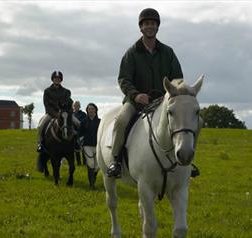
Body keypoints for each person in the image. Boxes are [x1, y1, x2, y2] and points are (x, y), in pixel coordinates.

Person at [106, 8, 183, 178]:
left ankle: (185, 162)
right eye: (146, 23)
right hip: (136, 101)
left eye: (153, 23)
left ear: (157, 27)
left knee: (186, 121)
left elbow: (177, 78)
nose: (150, 26)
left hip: (163, 101)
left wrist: (170, 95)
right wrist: (135, 95)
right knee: (121, 121)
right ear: (141, 27)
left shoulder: (168, 53)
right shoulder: (131, 53)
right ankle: (115, 161)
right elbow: (123, 79)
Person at [37, 70, 73, 152]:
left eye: (59, 78)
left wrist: (66, 113)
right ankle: (40, 143)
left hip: (64, 114)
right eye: (55, 78)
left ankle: (77, 142)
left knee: (77, 123)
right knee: (40, 126)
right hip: (51, 114)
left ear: (61, 80)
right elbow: (47, 105)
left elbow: (70, 103)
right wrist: (57, 114)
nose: (57, 80)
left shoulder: (66, 92)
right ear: (52, 79)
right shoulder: (47, 91)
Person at [78, 103, 101, 189]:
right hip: (87, 145)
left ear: (95, 110)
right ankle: (92, 184)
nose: (91, 110)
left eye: (92, 109)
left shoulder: (100, 122)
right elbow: (80, 134)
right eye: (89, 109)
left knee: (97, 166)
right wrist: (80, 141)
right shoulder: (83, 122)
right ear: (87, 110)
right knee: (91, 163)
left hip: (98, 146)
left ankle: (93, 179)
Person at [72, 101, 87, 166]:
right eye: (75, 105)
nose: (76, 107)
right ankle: (79, 163)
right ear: (73, 106)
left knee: (83, 149)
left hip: (82, 133)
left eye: (77, 105)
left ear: (79, 106)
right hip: (73, 133)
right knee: (76, 149)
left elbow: (84, 124)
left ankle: (84, 163)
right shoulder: (71, 114)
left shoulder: (83, 114)